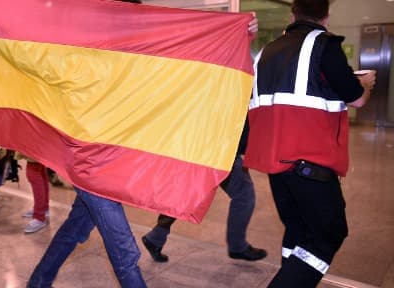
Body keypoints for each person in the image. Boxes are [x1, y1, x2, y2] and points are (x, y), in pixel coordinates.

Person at [27, 1, 259, 287]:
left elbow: (186, 54)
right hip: (89, 165)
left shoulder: (136, 59)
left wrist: (237, 32)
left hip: (112, 162)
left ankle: (38, 282)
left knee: (75, 228)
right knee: (124, 253)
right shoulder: (79, 51)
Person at [244, 0, 376, 287]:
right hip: (310, 164)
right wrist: (366, 82)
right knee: (327, 234)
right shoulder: (324, 44)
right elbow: (356, 98)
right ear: (326, 16)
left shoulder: (267, 51)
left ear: (293, 13)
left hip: (277, 164)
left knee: (297, 229)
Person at [141, 120, 267, 263]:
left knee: (185, 193)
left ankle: (156, 237)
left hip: (203, 140)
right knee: (243, 194)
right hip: (221, 144)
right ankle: (237, 246)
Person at [16, 153, 51, 234]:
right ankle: (43, 208)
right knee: (40, 170)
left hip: (36, 144)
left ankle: (39, 216)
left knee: (33, 173)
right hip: (40, 144)